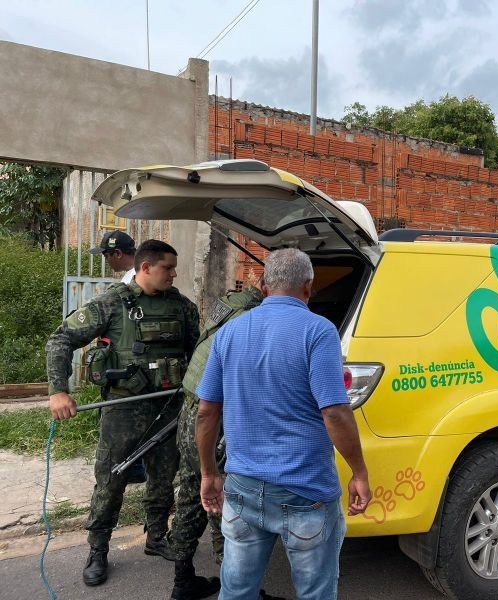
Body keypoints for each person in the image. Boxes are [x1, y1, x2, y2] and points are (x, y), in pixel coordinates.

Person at [196, 248, 372, 600]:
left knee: (236, 591)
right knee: (315, 593)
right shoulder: (318, 331)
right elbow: (335, 413)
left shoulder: (229, 332)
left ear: (262, 285)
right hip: (305, 491)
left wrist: (208, 472)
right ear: (308, 287)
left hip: (242, 487)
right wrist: (359, 472)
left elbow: (206, 411)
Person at [46, 239, 199, 587]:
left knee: (164, 478)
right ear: (146, 267)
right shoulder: (112, 304)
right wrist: (58, 390)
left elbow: (198, 355)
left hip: (168, 408)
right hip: (123, 410)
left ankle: (156, 536)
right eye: (167, 268)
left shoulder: (183, 308)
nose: (174, 274)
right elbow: (60, 339)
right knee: (111, 481)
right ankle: (98, 549)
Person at [169, 280, 268, 600]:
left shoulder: (228, 303)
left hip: (190, 412)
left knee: (190, 495)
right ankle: (236, 589)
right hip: (214, 418)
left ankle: (183, 581)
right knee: (224, 504)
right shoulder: (251, 320)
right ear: (268, 288)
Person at [89, 229, 147, 484]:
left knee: (122, 426)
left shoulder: (134, 280)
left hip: (129, 365)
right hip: (128, 363)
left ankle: (132, 471)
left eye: (106, 255)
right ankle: (134, 469)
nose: (106, 260)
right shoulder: (132, 277)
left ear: (118, 253)